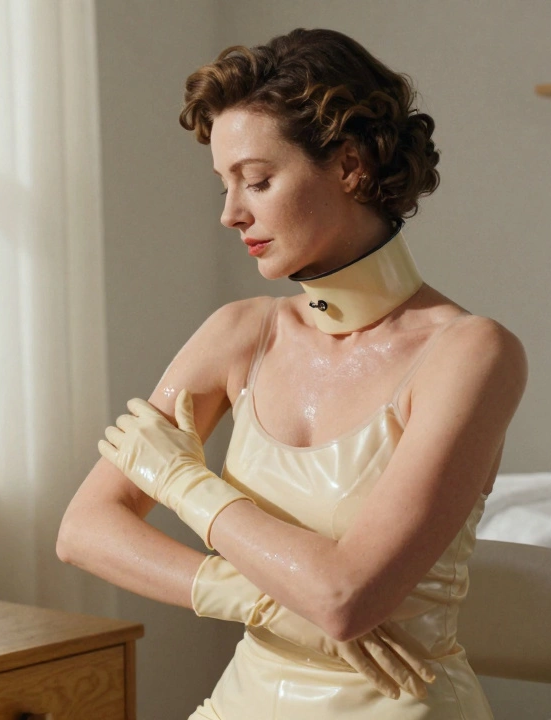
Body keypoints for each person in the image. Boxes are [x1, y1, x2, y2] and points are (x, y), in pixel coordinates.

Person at [58, 29, 526, 719]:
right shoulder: (240, 333)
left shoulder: (471, 354)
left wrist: (183, 481)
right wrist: (260, 601)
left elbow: (344, 598)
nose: (229, 213)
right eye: (224, 184)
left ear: (350, 165)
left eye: (257, 180)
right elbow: (84, 529)